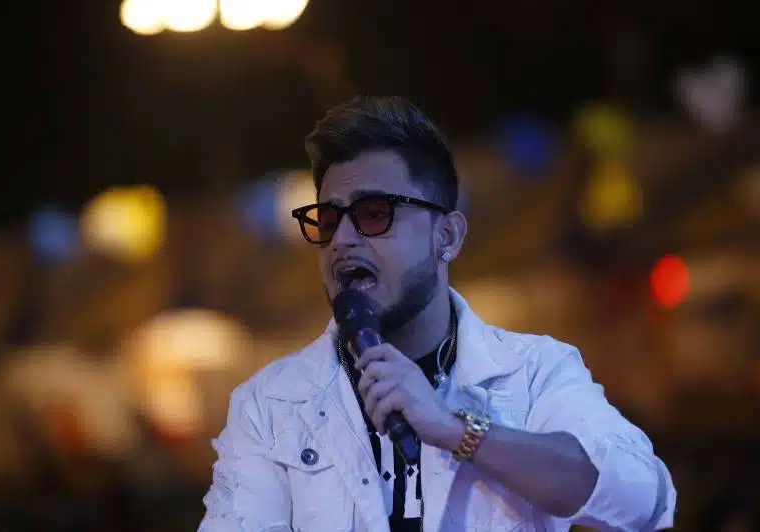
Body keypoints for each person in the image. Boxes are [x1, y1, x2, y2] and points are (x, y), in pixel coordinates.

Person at [198, 96, 676, 532]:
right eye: (327, 220)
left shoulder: (534, 373)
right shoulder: (271, 406)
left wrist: (457, 430)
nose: (341, 240)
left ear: (446, 236)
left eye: (374, 214)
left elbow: (640, 500)